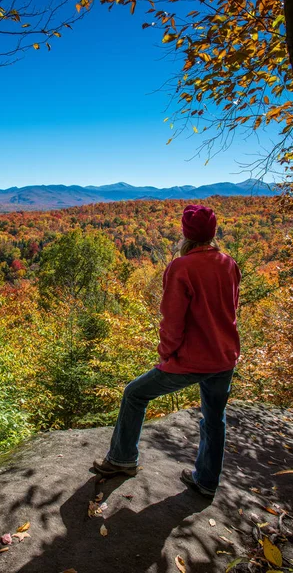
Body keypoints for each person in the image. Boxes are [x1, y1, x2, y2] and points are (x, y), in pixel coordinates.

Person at [93, 204, 241, 498]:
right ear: (212, 233)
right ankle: (207, 481)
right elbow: (230, 310)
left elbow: (173, 321)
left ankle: (122, 459)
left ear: (186, 234)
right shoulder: (228, 263)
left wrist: (166, 353)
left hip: (191, 359)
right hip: (225, 356)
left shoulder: (181, 267)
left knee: (135, 393)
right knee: (214, 418)